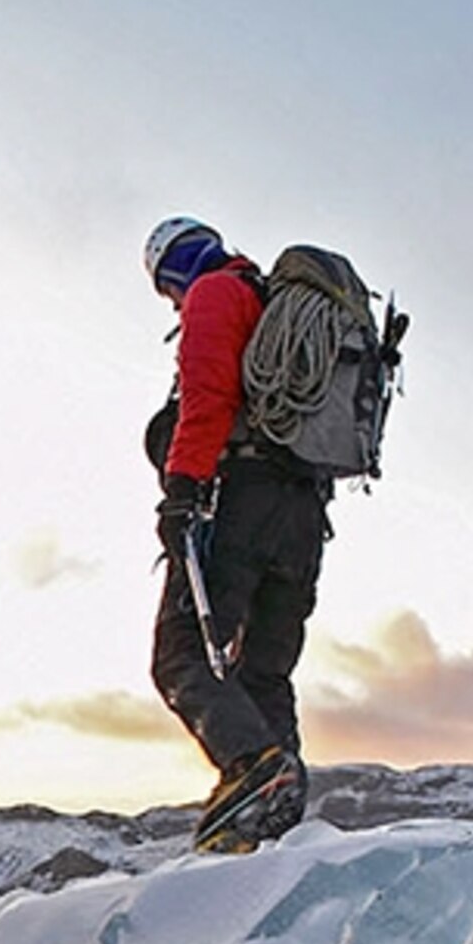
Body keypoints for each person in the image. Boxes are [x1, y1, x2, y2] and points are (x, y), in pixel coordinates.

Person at [141, 215, 330, 852]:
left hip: (243, 500)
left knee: (181, 655)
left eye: (166, 291)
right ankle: (277, 819)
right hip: (305, 514)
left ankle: (254, 767)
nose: (171, 303)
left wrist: (182, 492)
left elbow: (208, 397)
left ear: (172, 270)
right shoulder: (275, 304)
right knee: (264, 672)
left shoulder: (216, 295)